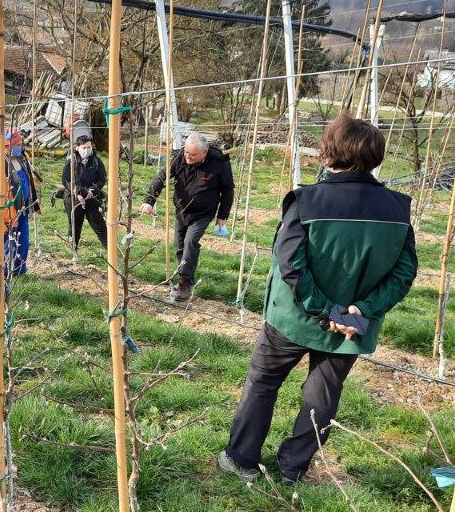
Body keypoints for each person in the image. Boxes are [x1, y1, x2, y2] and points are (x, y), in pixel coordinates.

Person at [218, 113, 417, 484]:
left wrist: (326, 311)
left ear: (330, 151)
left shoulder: (307, 201)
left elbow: (290, 263)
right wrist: (362, 310)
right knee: (323, 395)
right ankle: (293, 468)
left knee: (262, 382)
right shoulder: (398, 209)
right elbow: (404, 272)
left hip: (294, 319)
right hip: (352, 326)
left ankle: (241, 458)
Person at [141, 132, 234, 303]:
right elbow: (161, 178)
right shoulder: (179, 157)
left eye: (192, 155)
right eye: (186, 153)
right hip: (181, 209)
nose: (188, 157)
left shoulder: (219, 163)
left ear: (204, 152)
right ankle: (182, 271)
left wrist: (223, 216)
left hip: (203, 212)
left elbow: (228, 190)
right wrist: (149, 201)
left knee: (191, 242)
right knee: (179, 244)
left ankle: (185, 283)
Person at [59, 134, 107, 251]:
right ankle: (73, 251)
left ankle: (110, 249)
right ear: (77, 148)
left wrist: (93, 190)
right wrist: (76, 192)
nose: (87, 150)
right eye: (84, 148)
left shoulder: (96, 161)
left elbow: (102, 179)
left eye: (89, 147)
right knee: (75, 224)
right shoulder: (71, 162)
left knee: (98, 223)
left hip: (92, 197)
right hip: (74, 197)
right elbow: (66, 180)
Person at [3, 131, 40, 276]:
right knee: (9, 241)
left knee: (23, 240)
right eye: (16, 145)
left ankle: (20, 268)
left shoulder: (21, 159)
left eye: (20, 144)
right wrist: (10, 214)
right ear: (6, 146)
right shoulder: (0, 164)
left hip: (24, 207)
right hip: (11, 210)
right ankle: (7, 270)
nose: (19, 147)